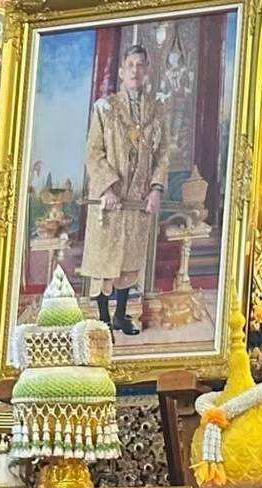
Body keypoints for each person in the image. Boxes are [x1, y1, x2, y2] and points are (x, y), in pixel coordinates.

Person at [80, 43, 171, 337]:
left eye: (140, 65)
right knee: (104, 259)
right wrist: (107, 187)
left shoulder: (156, 111)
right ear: (121, 72)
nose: (135, 71)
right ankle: (104, 318)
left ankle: (120, 316)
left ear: (147, 72)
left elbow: (163, 153)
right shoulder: (105, 108)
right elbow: (93, 153)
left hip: (137, 199)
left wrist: (156, 188)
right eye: (130, 65)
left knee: (129, 260)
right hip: (109, 200)